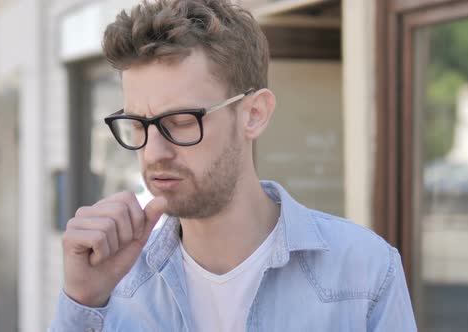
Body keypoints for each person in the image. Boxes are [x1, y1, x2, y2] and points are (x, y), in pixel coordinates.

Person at [50, 0, 417, 330]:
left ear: (254, 115)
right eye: (137, 125)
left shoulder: (364, 271)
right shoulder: (115, 285)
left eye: (179, 121)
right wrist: (82, 302)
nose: (153, 152)